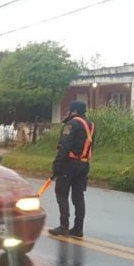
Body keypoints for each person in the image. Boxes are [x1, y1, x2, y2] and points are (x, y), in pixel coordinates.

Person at [48, 101, 95, 238]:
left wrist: (56, 166)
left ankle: (64, 226)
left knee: (61, 194)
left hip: (69, 164)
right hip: (84, 164)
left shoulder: (71, 124)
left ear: (74, 111)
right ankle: (78, 228)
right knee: (78, 197)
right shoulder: (90, 125)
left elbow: (64, 147)